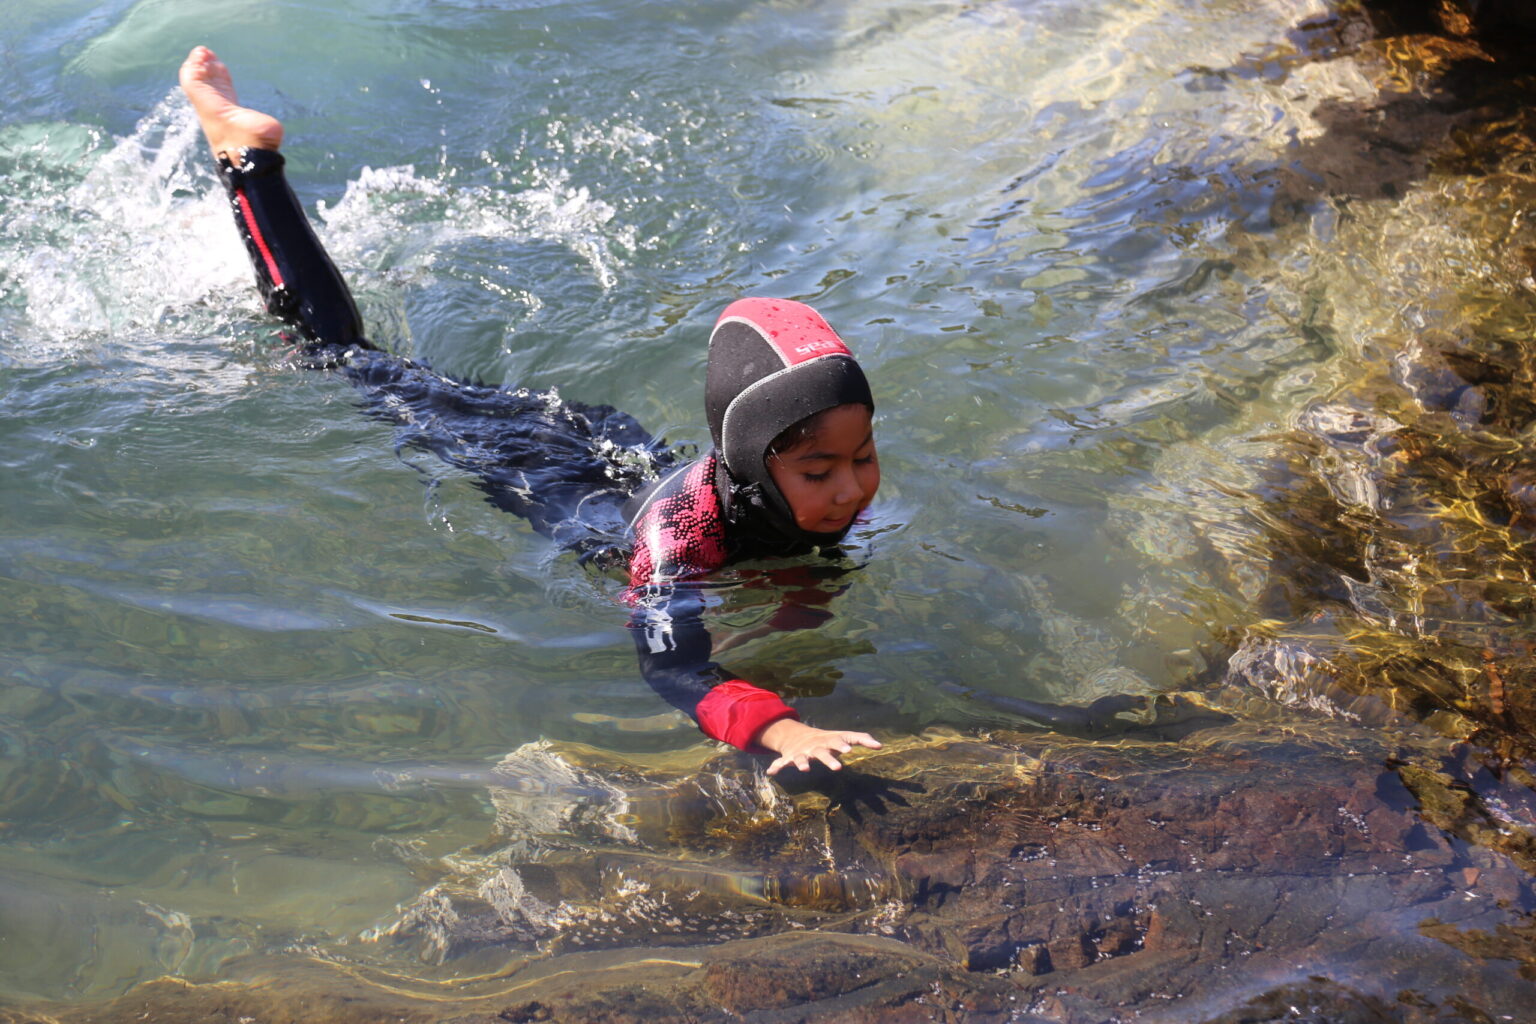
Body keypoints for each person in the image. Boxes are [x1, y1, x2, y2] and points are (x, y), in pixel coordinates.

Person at [178, 46, 883, 775]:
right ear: (754, 467)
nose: (850, 490)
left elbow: (808, 562)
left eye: (862, 457)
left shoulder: (795, 483)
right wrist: (783, 731)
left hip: (610, 451)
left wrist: (800, 614)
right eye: (820, 469)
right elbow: (673, 670)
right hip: (540, 472)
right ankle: (247, 163)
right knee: (344, 358)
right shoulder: (676, 545)